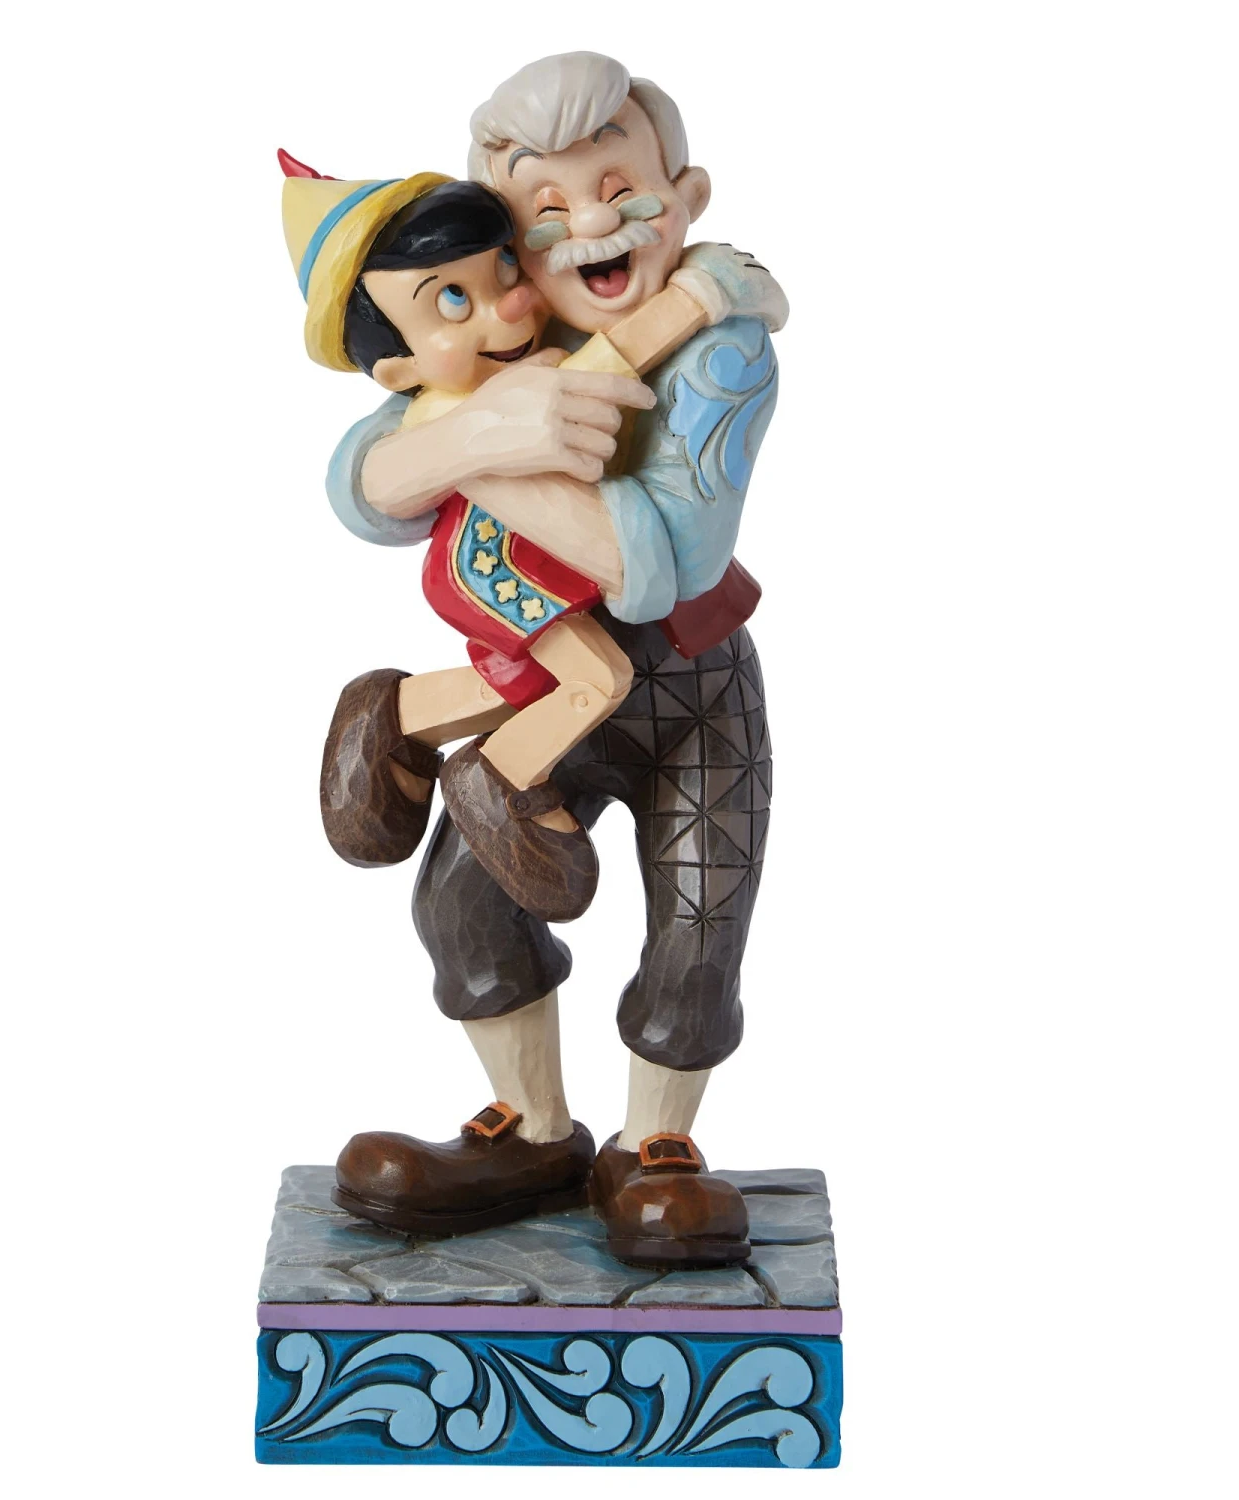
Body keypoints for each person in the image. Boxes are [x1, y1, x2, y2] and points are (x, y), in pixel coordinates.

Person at [321, 53, 788, 1268]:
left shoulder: (723, 352)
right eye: (546, 208)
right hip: (537, 673)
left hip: (690, 687)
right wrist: (478, 425)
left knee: (699, 916)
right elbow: (365, 481)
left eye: (620, 189)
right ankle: (530, 1130)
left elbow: (659, 568)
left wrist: (485, 449)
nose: (589, 225)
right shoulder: (505, 332)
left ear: (687, 199)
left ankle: (655, 1146)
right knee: (463, 896)